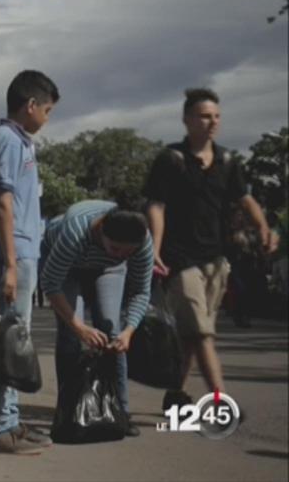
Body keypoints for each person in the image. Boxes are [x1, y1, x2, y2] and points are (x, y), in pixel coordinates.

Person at [145, 87, 279, 411]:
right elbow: (156, 207)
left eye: (216, 116)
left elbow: (244, 199)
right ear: (187, 119)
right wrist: (155, 251)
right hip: (180, 259)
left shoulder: (228, 161)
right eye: (205, 116)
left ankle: (175, 392)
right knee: (203, 333)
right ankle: (220, 401)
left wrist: (263, 227)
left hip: (215, 259)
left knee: (193, 333)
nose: (212, 122)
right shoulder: (171, 159)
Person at [0, 69, 59, 455]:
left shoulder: (18, 141)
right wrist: (11, 263)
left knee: (15, 341)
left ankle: (7, 420)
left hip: (22, 251)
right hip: (15, 253)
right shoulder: (9, 140)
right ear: (30, 105)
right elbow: (3, 202)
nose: (47, 117)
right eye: (47, 109)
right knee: (10, 343)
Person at [40, 202, 154, 438]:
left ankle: (120, 410)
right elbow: (50, 284)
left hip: (108, 270)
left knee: (113, 331)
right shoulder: (75, 230)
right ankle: (68, 410)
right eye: (115, 248)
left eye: (128, 252)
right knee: (71, 335)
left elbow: (141, 291)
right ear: (101, 230)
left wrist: (129, 331)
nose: (122, 254)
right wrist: (79, 327)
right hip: (66, 269)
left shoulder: (141, 240)